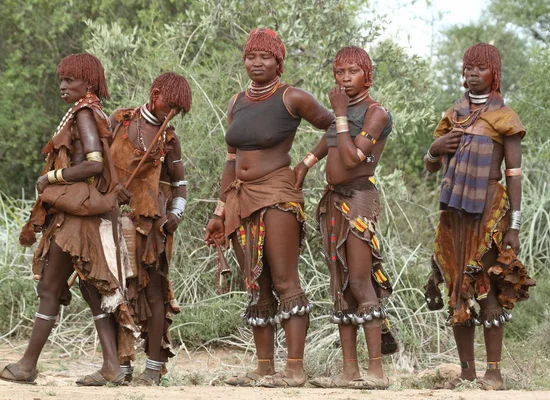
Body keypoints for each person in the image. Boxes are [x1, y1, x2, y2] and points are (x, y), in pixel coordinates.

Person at [204, 28, 334, 388]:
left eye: (265, 57)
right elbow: (231, 162)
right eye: (251, 56)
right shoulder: (236, 102)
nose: (256, 62)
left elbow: (337, 126)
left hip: (278, 192)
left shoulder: (293, 97)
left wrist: (306, 163)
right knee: (255, 283)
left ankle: (294, 369)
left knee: (283, 280)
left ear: (279, 61)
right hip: (240, 197)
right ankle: (263, 368)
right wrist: (218, 212)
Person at [1, 53, 134, 386]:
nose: (63, 86)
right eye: (61, 79)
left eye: (70, 80)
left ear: (87, 83)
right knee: (92, 290)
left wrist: (53, 177)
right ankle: (112, 367)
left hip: (75, 219)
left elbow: (93, 164)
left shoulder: (86, 113)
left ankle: (27, 366)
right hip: (83, 215)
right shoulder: (89, 111)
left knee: (49, 287)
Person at [423, 43, 535, 390]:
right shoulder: (452, 115)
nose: (472, 73)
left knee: (486, 286)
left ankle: (495, 373)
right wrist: (434, 150)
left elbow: (514, 175)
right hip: (455, 213)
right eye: (468, 67)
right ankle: (467, 372)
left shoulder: (505, 118)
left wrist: (513, 226)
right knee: (458, 287)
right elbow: (430, 167)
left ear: (494, 74)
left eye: (480, 68)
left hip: (489, 210)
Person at [294, 46, 396, 390]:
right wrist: (305, 165)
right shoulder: (348, 111)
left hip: (359, 200)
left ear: (367, 75)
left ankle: (376, 372)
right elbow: (330, 141)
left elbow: (352, 158)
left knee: (360, 281)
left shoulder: (375, 113)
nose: (345, 78)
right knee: (340, 286)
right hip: (335, 202)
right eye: (339, 72)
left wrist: (337, 112)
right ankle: (349, 371)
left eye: (352, 71)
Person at [108, 72, 192, 386]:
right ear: (155, 93)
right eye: (169, 106)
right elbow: (100, 163)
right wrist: (109, 189)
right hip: (114, 219)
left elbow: (180, 185)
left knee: (155, 292)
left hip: (153, 225)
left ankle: (154, 368)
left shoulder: (169, 138)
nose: (171, 115)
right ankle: (121, 366)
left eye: (177, 112)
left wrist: (176, 214)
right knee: (117, 293)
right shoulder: (119, 121)